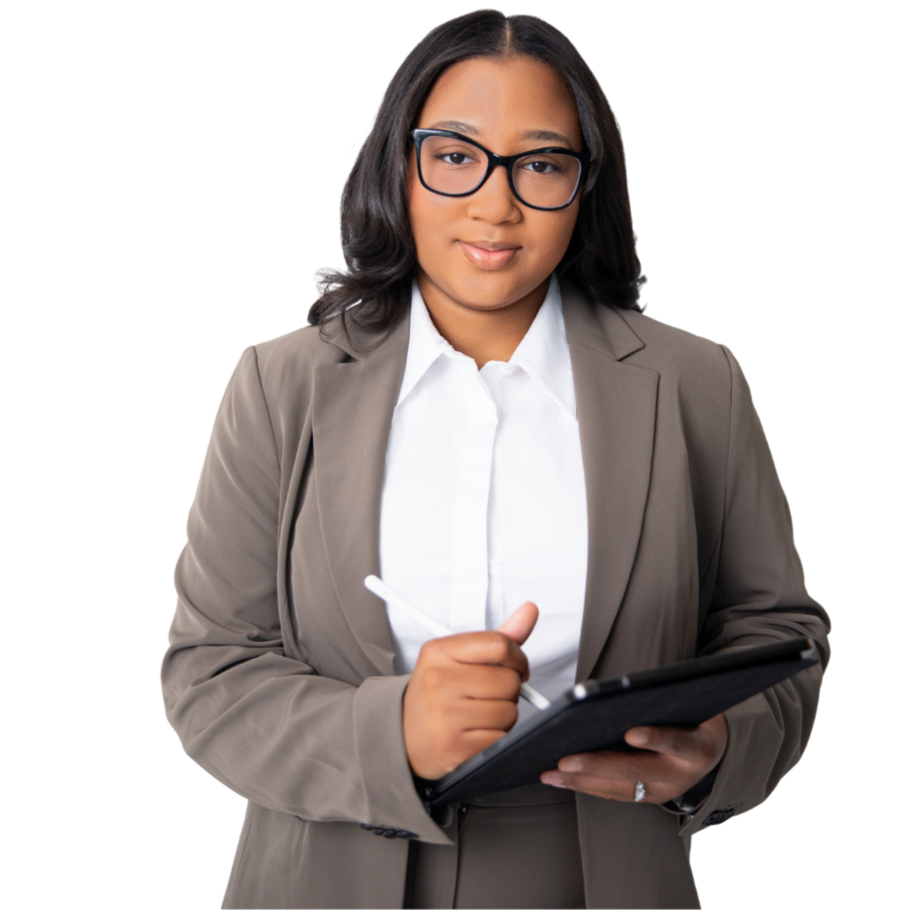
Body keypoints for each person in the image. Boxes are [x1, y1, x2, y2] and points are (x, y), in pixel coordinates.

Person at [160, 9, 831, 912]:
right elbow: (208, 678)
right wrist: (392, 728)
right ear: (398, 164)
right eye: (454, 155)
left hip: (603, 878)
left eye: (543, 164)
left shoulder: (691, 383)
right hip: (328, 880)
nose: (495, 203)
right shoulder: (281, 384)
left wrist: (718, 746)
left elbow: (780, 636)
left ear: (587, 187)